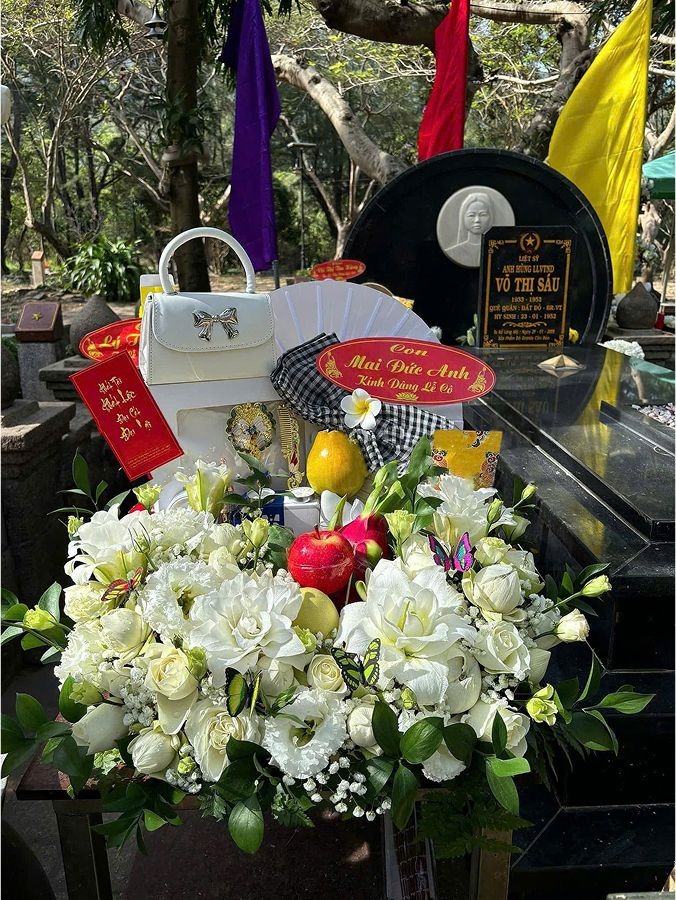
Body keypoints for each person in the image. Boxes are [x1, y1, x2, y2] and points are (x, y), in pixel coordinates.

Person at [446, 192, 494, 267]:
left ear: (490, 217)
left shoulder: (498, 251)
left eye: (483, 215)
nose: (477, 220)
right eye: (471, 215)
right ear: (463, 218)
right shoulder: (451, 253)